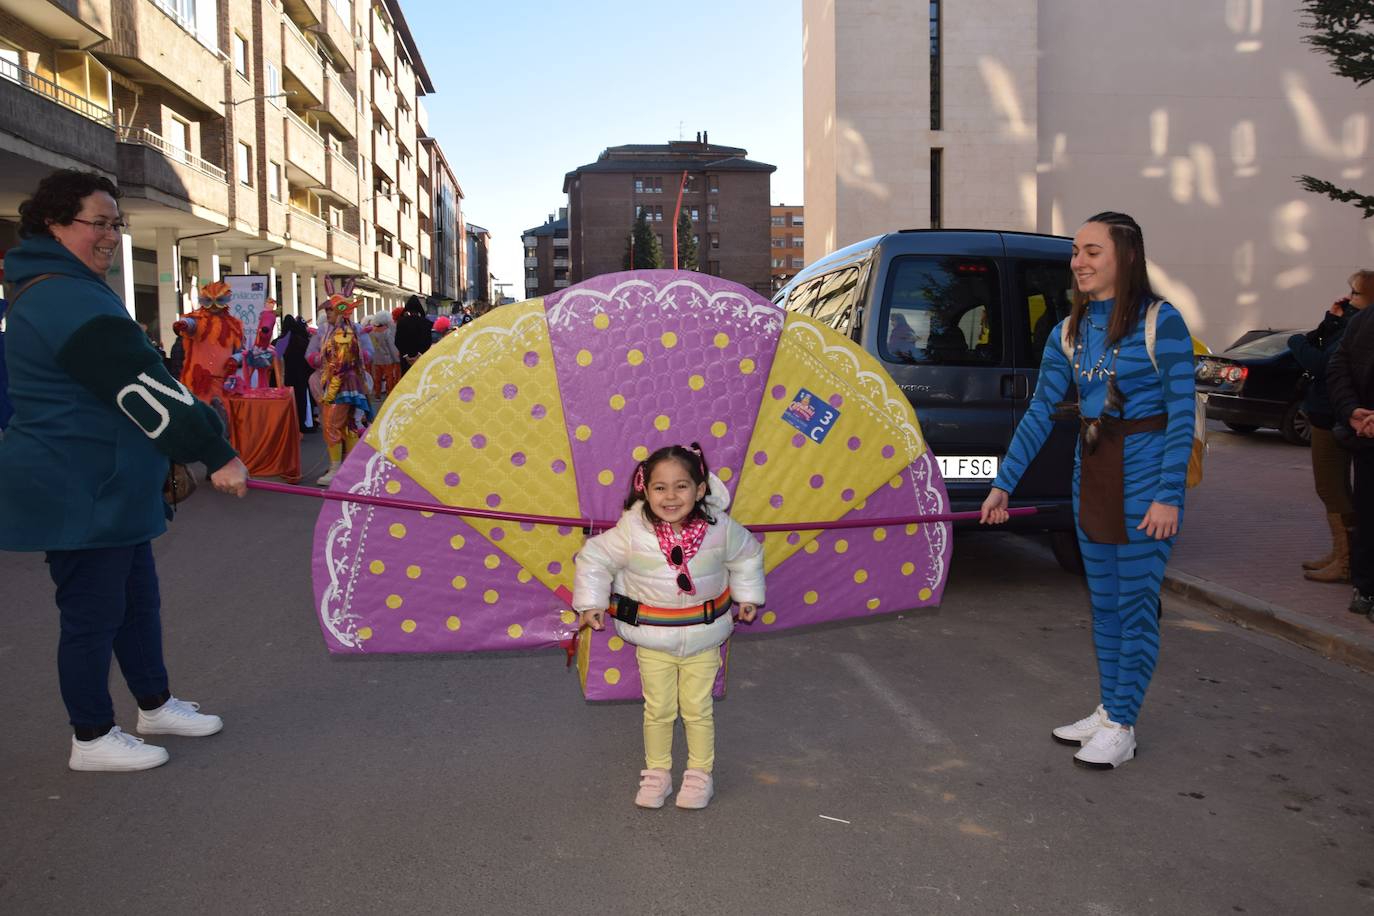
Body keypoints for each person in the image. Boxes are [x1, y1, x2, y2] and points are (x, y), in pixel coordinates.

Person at [0, 168, 248, 773]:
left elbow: (147, 380)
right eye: (100, 223)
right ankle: (91, 736)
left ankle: (154, 704)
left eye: (117, 222)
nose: (111, 235)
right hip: (79, 488)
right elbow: (144, 388)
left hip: (110, 487)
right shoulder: (61, 295)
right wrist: (215, 452)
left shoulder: (71, 285)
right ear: (55, 225)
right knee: (91, 615)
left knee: (137, 602)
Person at [980, 211, 1195, 769]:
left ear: (1125, 257)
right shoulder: (1068, 331)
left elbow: (1181, 414)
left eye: (1092, 251)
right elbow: (1039, 414)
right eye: (1077, 251)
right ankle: (1110, 709)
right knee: (1103, 606)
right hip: (1092, 473)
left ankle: (1122, 725)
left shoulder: (1160, 321)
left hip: (1147, 482)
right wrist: (1005, 483)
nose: (1079, 261)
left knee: (1135, 605)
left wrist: (1169, 494)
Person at [574, 443, 765, 810]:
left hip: (705, 637)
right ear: (645, 490)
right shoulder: (632, 531)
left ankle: (699, 775)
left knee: (697, 708)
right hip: (653, 640)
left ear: (701, 489)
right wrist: (592, 602)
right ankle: (657, 774)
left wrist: (748, 597)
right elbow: (595, 557)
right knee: (658, 708)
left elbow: (747, 555)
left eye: (682, 486)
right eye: (660, 487)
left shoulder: (721, 529)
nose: (671, 496)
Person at [1288, 275, 1370, 583]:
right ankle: (1341, 554)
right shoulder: (1349, 324)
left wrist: (1293, 342)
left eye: (1356, 293)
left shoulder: (1359, 329)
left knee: (1331, 488)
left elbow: (1321, 362)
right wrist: (1330, 319)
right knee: (1333, 489)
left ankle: (1346, 560)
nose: (1349, 298)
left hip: (1332, 415)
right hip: (1327, 413)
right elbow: (1320, 343)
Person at [1324, 270, 1374, 619]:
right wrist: (1352, 410)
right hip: (1366, 439)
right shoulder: (1363, 322)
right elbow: (1337, 366)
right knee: (1368, 515)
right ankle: (1366, 588)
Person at [306, 292, 373, 485]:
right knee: (348, 424)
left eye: (330, 309)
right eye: (326, 310)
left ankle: (338, 469)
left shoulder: (347, 332)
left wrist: (332, 389)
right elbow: (312, 354)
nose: (327, 313)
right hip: (340, 381)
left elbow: (347, 361)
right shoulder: (327, 331)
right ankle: (348, 468)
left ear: (340, 311)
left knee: (332, 424)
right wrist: (318, 360)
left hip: (341, 383)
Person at [394, 295, 431, 374]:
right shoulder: (425, 322)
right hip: (421, 358)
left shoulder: (401, 322)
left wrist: (406, 356)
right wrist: (418, 355)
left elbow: (397, 341)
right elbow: (428, 341)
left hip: (405, 360)